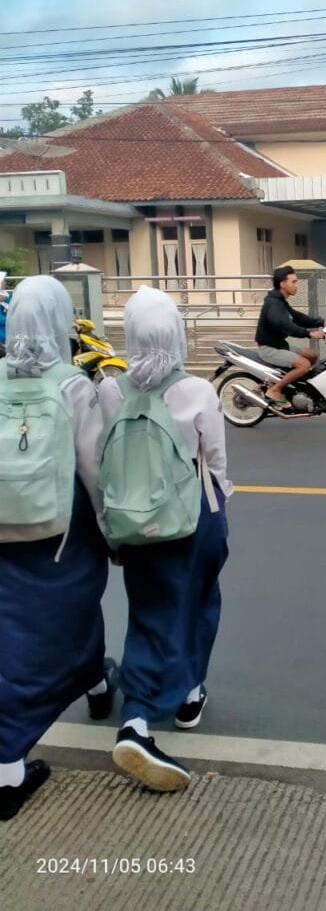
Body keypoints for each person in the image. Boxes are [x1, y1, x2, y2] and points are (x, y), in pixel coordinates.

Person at [99, 286, 232, 793]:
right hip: (192, 518)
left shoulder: (109, 391)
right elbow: (215, 462)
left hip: (134, 521)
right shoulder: (198, 391)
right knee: (200, 602)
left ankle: (142, 712)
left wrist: (110, 526)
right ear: (176, 333)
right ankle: (182, 699)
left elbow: (101, 460)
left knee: (150, 611)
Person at [0, 276, 110, 821]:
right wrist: (111, 530)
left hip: (5, 529)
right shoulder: (73, 384)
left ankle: (95, 676)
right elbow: (93, 468)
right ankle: (7, 766)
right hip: (64, 531)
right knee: (49, 630)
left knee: (19, 622)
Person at [254, 265, 326, 407]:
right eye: (293, 282)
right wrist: (309, 333)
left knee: (312, 355)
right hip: (269, 348)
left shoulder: (280, 301)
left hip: (279, 345)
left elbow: (297, 317)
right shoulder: (273, 304)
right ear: (282, 284)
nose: (296, 285)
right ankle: (275, 390)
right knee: (304, 365)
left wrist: (321, 322)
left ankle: (296, 387)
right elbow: (285, 325)